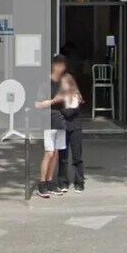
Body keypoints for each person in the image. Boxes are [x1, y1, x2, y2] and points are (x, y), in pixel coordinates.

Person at [34, 55, 68, 198]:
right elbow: (37, 104)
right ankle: (42, 183)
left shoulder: (63, 83)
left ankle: (50, 182)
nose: (60, 68)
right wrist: (54, 101)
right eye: (58, 65)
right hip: (48, 120)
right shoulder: (45, 84)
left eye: (62, 65)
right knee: (49, 152)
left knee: (56, 153)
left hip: (60, 121)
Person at [59, 73, 85, 193]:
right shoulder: (60, 96)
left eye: (65, 83)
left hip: (75, 128)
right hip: (63, 128)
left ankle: (79, 182)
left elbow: (69, 112)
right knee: (63, 157)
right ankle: (63, 182)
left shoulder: (75, 95)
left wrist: (61, 108)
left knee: (77, 157)